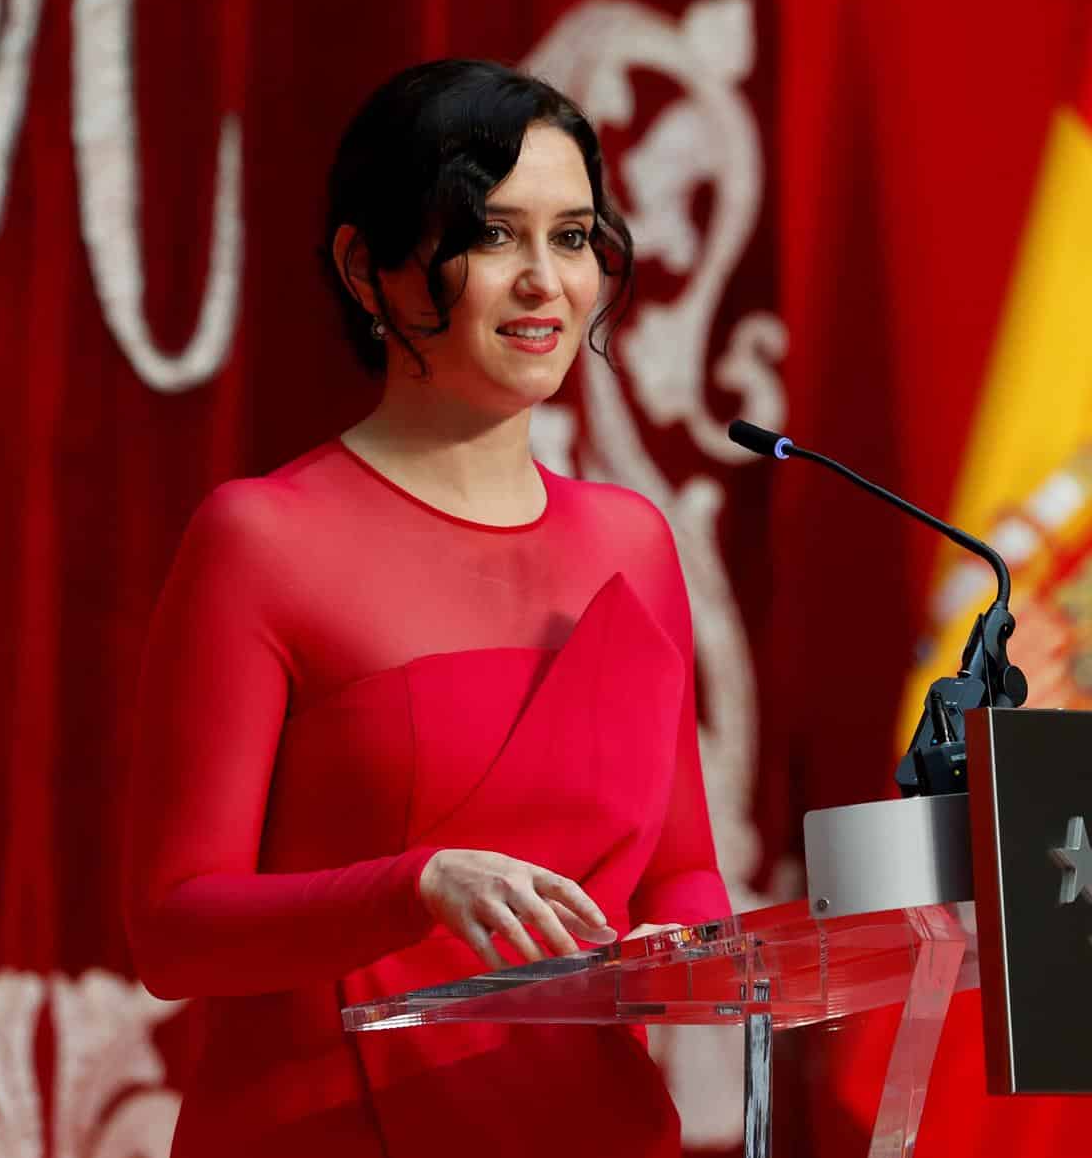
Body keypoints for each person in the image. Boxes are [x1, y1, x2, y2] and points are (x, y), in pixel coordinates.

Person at [122, 59, 729, 1157]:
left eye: (575, 236)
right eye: (493, 235)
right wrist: (417, 886)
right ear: (367, 267)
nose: (546, 279)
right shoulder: (261, 538)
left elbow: (681, 864)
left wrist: (687, 944)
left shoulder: (633, 541)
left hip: (588, 1124)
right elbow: (174, 929)